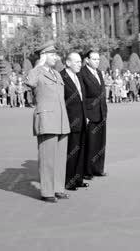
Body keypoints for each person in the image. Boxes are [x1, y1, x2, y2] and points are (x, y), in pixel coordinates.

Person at [25, 41, 70, 203]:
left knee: (59, 158)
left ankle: (58, 188)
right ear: (44, 56)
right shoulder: (36, 72)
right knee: (47, 158)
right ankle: (47, 191)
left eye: (56, 54)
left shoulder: (56, 74)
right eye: (52, 54)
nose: (56, 57)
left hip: (61, 119)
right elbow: (30, 82)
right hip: (46, 119)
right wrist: (39, 65)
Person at [60, 52, 90, 191]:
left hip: (82, 119)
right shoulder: (62, 77)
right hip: (70, 120)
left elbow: (83, 98)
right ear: (68, 63)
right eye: (76, 62)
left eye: (80, 62)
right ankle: (68, 181)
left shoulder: (78, 76)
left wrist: (86, 116)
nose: (80, 64)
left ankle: (78, 179)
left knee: (80, 151)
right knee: (71, 152)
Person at [79, 51, 108, 178]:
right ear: (87, 60)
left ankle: (98, 168)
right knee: (90, 143)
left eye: (98, 59)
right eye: (94, 59)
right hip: (90, 113)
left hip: (101, 112)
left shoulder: (99, 72)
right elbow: (82, 96)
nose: (97, 61)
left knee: (100, 143)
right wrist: (84, 114)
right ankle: (87, 171)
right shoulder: (82, 73)